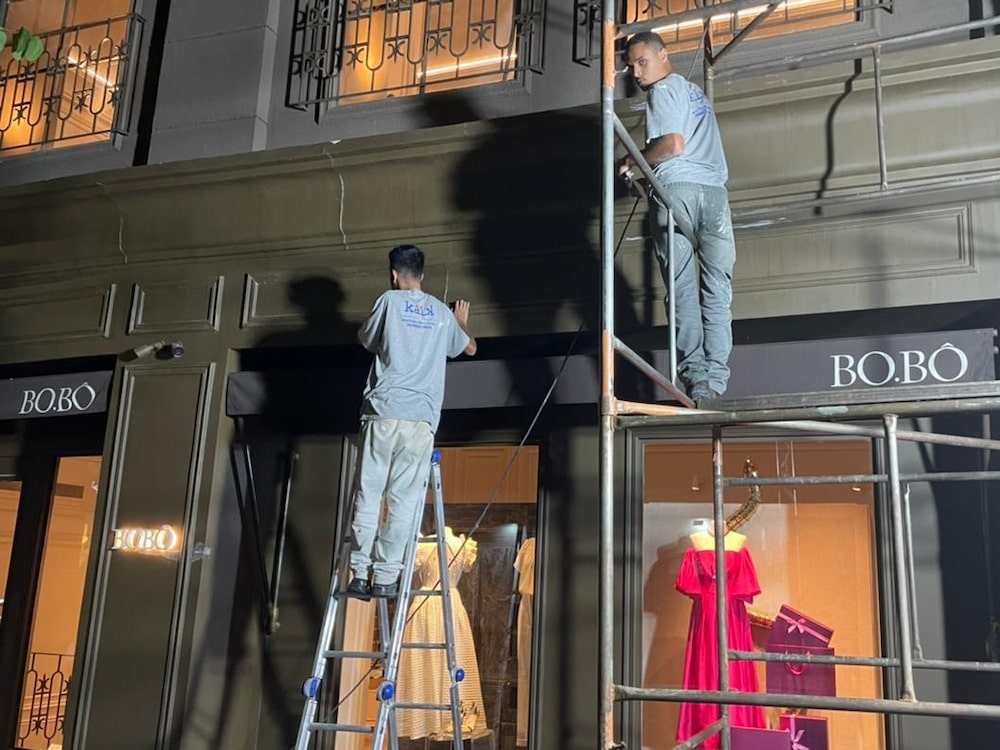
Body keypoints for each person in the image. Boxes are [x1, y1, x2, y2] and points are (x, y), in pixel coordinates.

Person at [347, 244, 476, 598]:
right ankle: (387, 577)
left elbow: (367, 340)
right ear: (423, 274)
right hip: (421, 419)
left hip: (384, 412)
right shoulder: (439, 311)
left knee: (370, 493)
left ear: (393, 274)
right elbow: (469, 348)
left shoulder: (388, 301)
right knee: (403, 500)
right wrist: (460, 322)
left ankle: (360, 572)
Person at [619, 31, 736, 403]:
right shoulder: (695, 93)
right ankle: (717, 377)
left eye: (642, 62)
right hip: (715, 197)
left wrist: (631, 161)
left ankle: (697, 377)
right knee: (717, 289)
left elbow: (672, 145)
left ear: (663, 55)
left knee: (683, 287)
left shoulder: (663, 90)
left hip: (678, 192)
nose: (636, 73)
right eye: (630, 65)